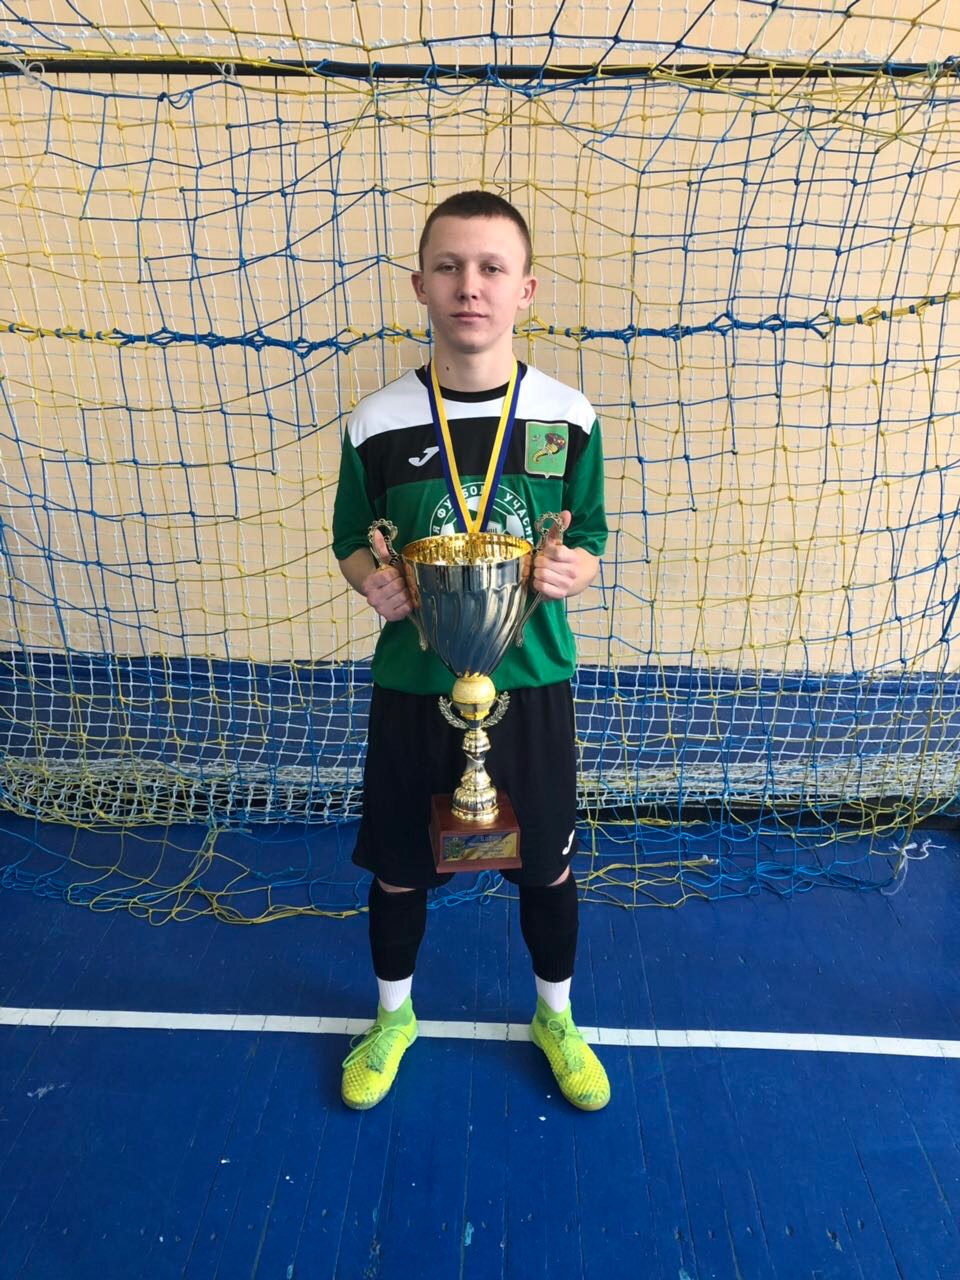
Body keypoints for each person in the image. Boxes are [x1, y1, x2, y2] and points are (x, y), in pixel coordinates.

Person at [332, 190, 610, 1111]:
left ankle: (556, 1018)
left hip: (530, 679)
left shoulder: (567, 415)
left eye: (492, 268)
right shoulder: (378, 421)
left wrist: (575, 568)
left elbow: (589, 535)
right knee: (401, 864)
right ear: (419, 285)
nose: (469, 286)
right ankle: (393, 1017)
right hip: (416, 681)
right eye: (448, 267)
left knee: (547, 863)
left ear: (525, 289)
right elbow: (350, 539)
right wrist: (367, 582)